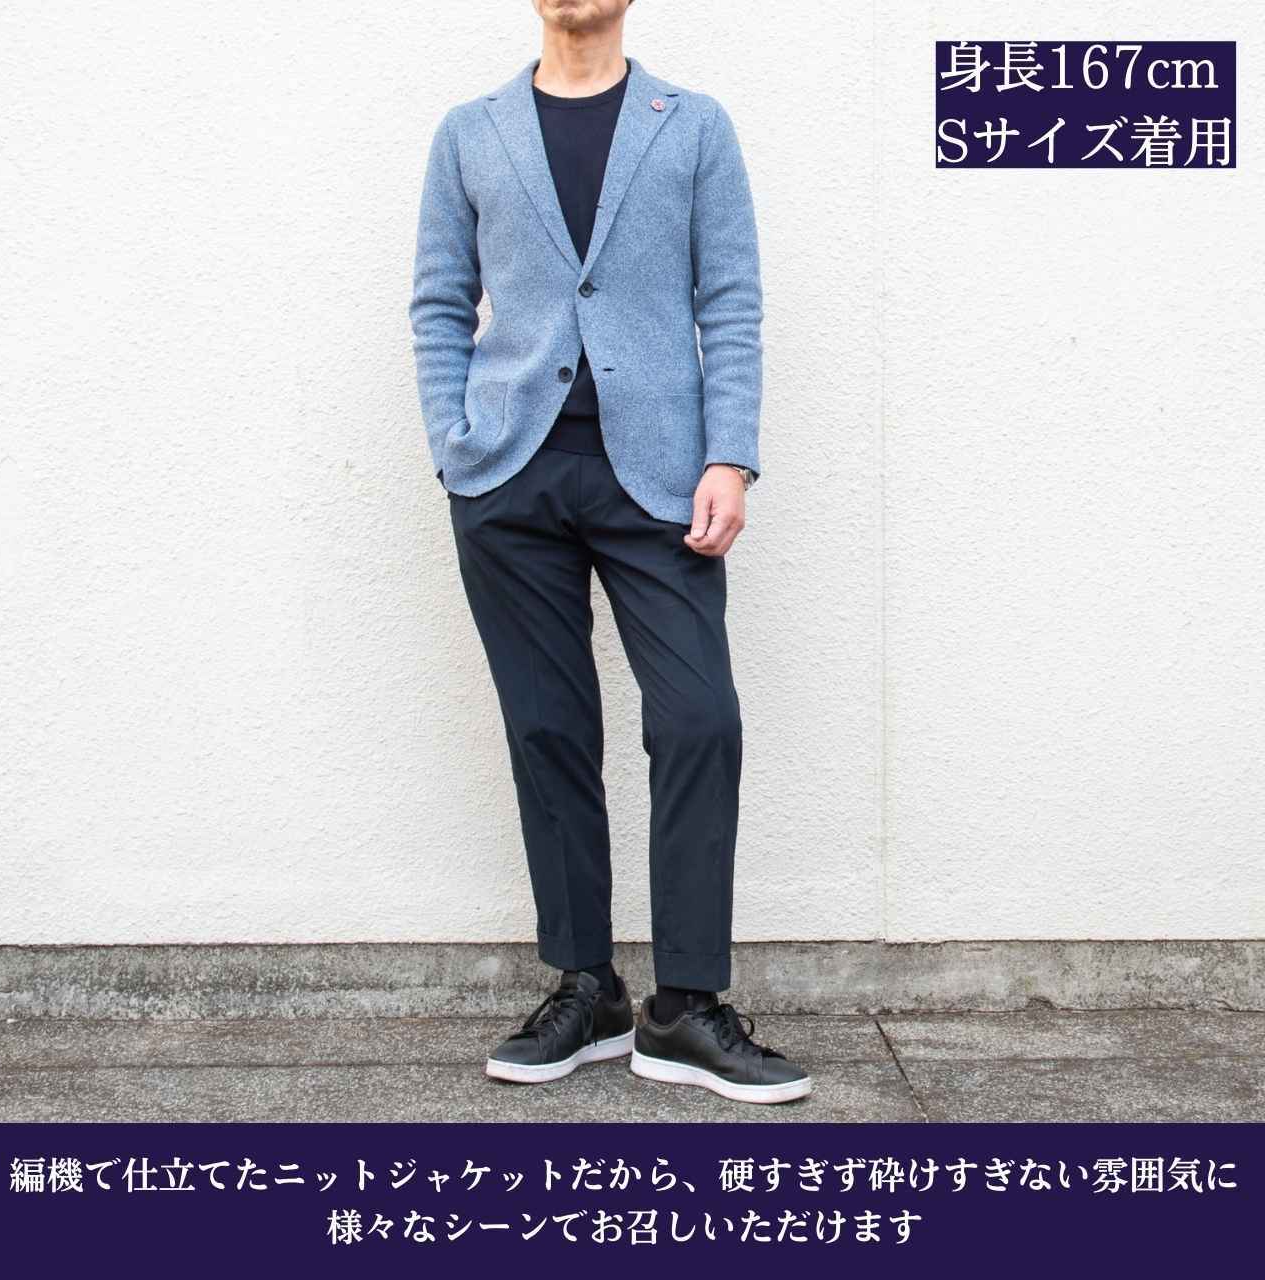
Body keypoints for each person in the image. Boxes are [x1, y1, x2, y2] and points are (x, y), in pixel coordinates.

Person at [410, 0, 810, 1104]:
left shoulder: (694, 124)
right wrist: (456, 445)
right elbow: (439, 302)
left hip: (660, 475)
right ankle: (584, 987)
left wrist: (728, 455)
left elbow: (730, 299)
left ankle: (683, 1008)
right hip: (510, 474)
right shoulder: (470, 131)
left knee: (697, 718)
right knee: (548, 727)